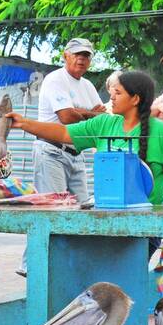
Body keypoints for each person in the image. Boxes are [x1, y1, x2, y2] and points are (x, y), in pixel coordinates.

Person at [11, 69, 163, 209]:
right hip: (106, 216)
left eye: (118, 93)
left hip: (147, 222)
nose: (112, 97)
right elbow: (63, 133)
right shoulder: (103, 124)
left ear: (135, 99)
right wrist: (23, 123)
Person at [32, 37, 108, 205]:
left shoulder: (87, 85)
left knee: (83, 208)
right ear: (66, 56)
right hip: (52, 152)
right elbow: (66, 116)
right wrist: (90, 114)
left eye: (86, 55)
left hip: (76, 154)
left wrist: (81, 112)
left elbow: (102, 119)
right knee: (54, 208)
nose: (81, 58)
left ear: (90, 61)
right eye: (76, 54)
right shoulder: (55, 79)